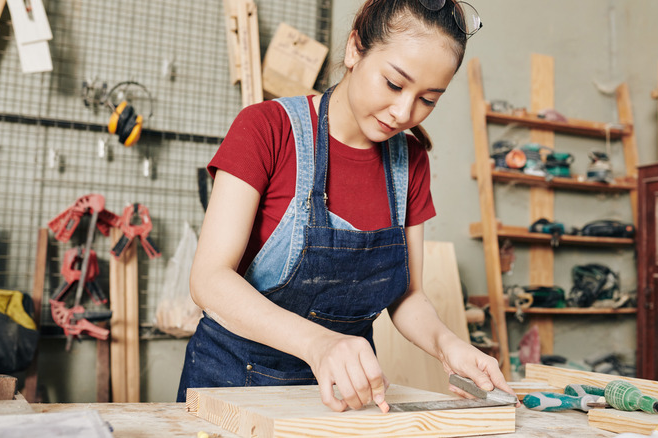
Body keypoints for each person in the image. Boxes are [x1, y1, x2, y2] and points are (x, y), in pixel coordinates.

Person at [177, 0, 515, 412]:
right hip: (231, 385)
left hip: (346, 394)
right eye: (394, 84)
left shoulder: (411, 162)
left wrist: (449, 346)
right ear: (355, 49)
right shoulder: (267, 129)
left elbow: (407, 296)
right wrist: (319, 344)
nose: (403, 112)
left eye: (428, 99)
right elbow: (209, 280)